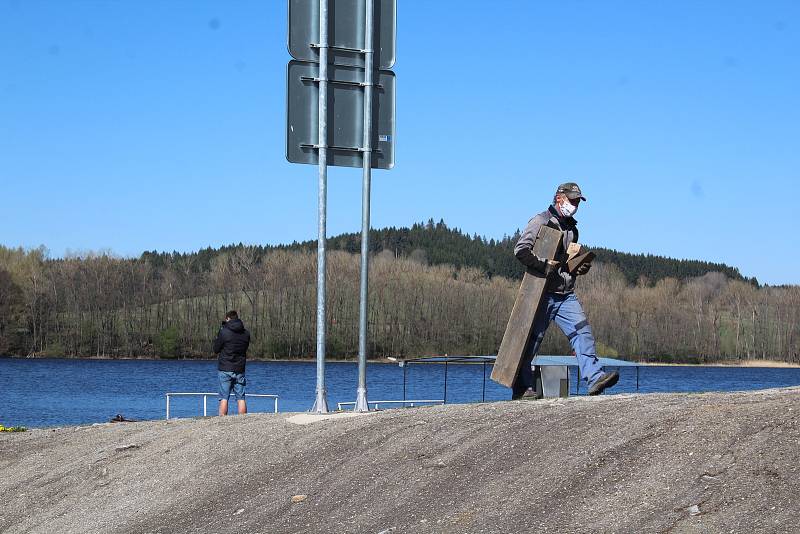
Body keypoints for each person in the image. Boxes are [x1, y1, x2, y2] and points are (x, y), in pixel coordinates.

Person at [512, 182, 619, 399]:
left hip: (565, 295)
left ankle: (595, 377)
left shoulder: (573, 229)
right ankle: (522, 386)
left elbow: (566, 262)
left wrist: (580, 266)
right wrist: (543, 265)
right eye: (572, 200)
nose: (575, 205)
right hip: (540, 294)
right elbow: (520, 251)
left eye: (578, 201)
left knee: (583, 332)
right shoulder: (540, 221)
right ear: (559, 198)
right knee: (531, 340)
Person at [212, 310, 251, 416]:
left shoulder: (224, 332)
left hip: (225, 368)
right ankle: (243, 420)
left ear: (228, 318)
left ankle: (222, 420)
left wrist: (218, 336)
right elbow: (245, 348)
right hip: (239, 368)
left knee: (224, 398)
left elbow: (216, 349)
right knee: (241, 398)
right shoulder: (246, 333)